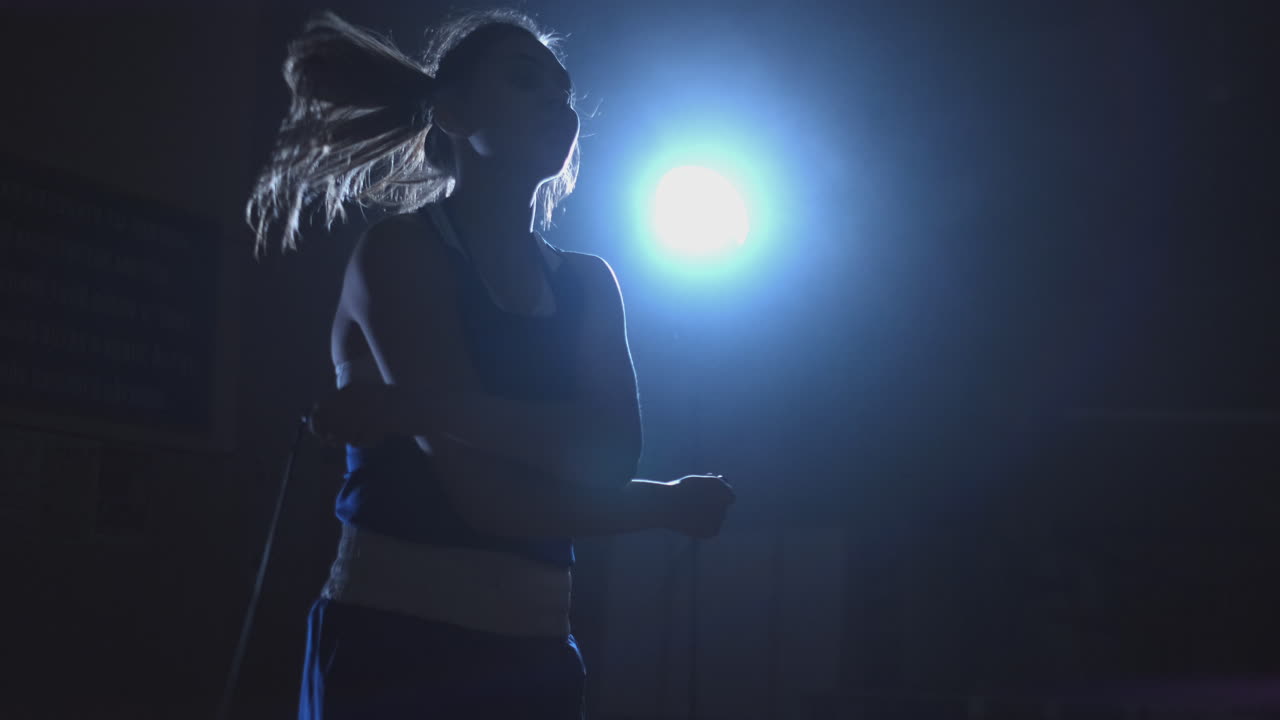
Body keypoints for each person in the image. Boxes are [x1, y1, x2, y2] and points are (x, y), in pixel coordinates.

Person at [244, 9, 736, 719]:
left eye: (561, 93)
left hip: (537, 651)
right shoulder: (400, 251)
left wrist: (416, 408)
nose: (556, 104)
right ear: (451, 113)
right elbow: (491, 500)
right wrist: (665, 503)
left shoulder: (589, 282)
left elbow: (613, 452)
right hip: (394, 646)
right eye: (524, 82)